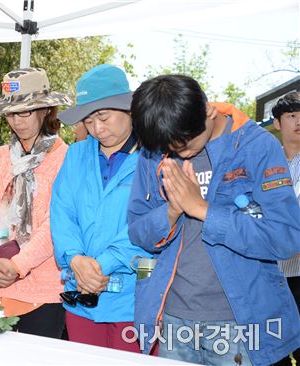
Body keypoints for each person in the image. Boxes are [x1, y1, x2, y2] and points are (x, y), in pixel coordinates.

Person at [128, 74, 300, 365]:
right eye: (171, 148)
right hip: (174, 319)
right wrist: (171, 211)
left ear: (207, 111)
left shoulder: (256, 147)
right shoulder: (155, 151)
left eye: (185, 144)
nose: (180, 153)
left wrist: (203, 210)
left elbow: (286, 238)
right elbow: (138, 232)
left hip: (241, 323)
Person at [50, 64, 149, 351]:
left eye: (104, 117)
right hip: (80, 295)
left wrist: (102, 265)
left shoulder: (152, 157)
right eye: (89, 121)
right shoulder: (77, 154)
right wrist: (75, 258)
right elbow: (62, 212)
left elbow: (150, 223)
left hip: (133, 301)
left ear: (128, 110)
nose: (97, 128)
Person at [0, 67, 72, 338]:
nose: (17, 121)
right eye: (11, 113)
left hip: (41, 291)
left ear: (45, 111)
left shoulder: (67, 159)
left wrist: (18, 265)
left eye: (25, 111)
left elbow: (57, 224)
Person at [272, 91, 300, 366]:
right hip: (270, 275)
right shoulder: (265, 162)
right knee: (274, 349)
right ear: (278, 123)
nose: (299, 121)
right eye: (292, 115)